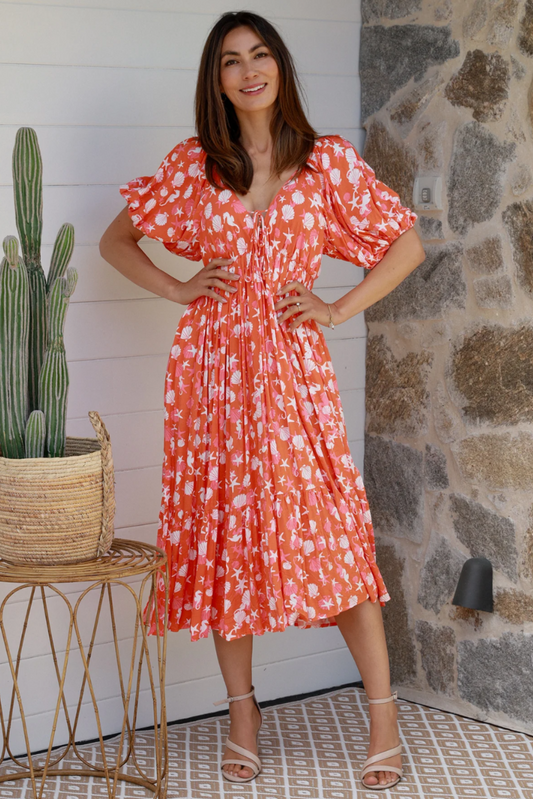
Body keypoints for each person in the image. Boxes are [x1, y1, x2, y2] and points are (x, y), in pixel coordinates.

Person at [100, 10, 425, 790]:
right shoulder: (195, 165)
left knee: (334, 543)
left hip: (293, 378)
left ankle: (383, 718)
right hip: (210, 377)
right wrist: (181, 286)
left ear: (279, 66)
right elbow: (117, 240)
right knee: (223, 548)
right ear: (215, 80)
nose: (248, 71)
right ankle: (243, 714)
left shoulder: (326, 163)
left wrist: (337, 308)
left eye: (260, 55)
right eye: (230, 61)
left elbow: (406, 243)